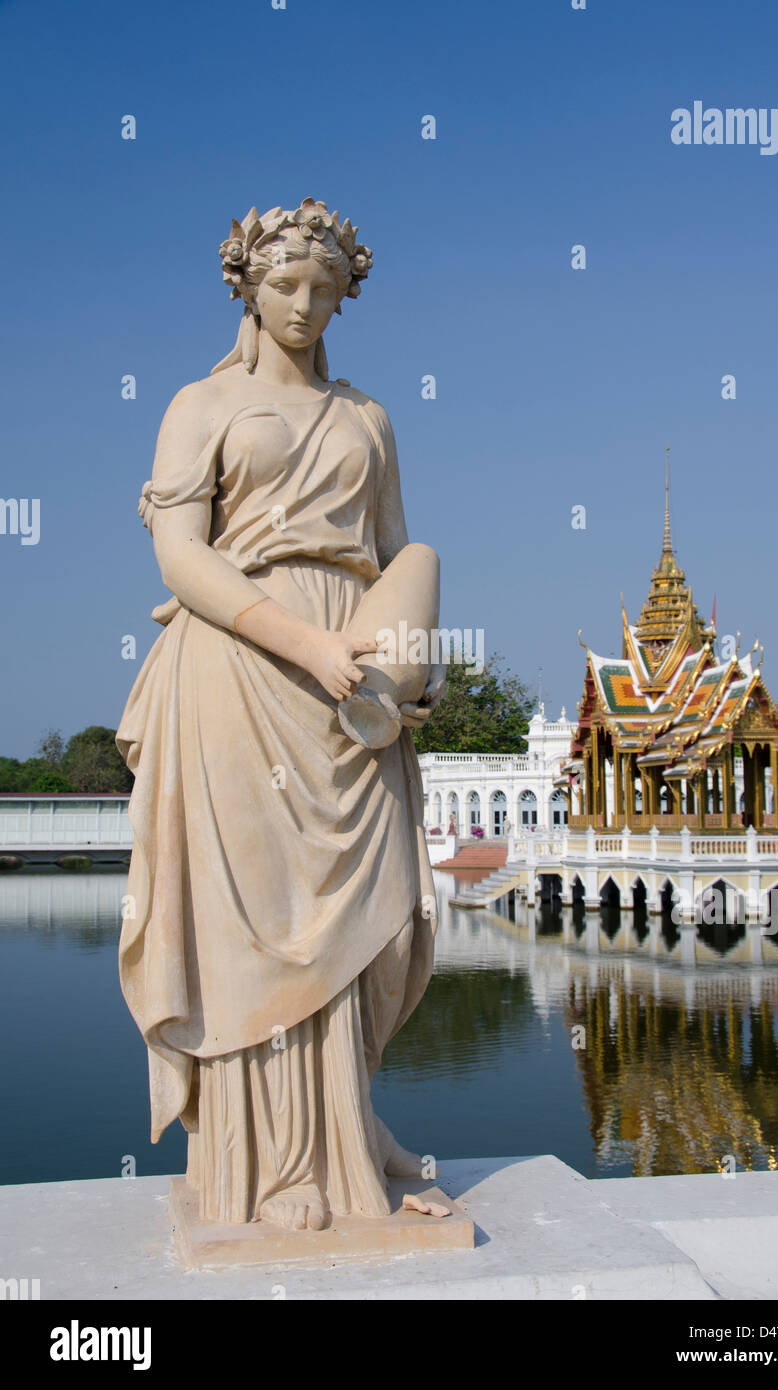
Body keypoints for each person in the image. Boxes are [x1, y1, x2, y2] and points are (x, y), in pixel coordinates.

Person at [117, 201, 444, 1232]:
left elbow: (396, 554)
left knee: (369, 925)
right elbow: (180, 557)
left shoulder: (368, 420)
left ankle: (352, 1133)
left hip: (357, 688)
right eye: (284, 285)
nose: (304, 304)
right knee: (259, 927)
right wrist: (307, 646)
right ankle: (268, 1165)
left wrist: (409, 663)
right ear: (247, 287)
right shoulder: (199, 405)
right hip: (242, 667)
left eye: (324, 288)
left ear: (348, 294)